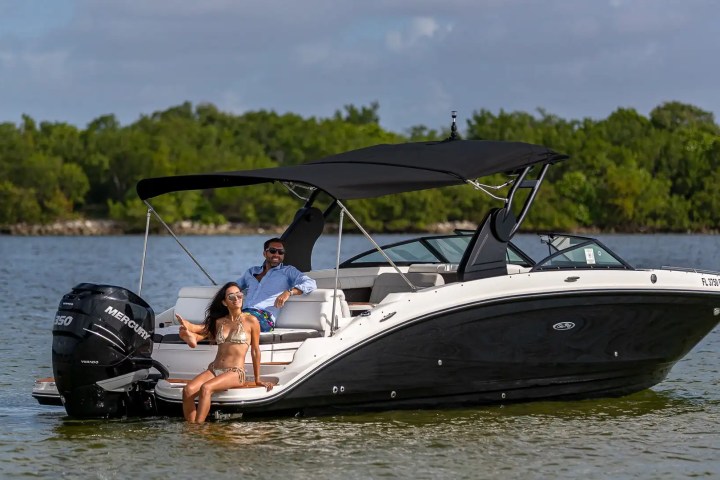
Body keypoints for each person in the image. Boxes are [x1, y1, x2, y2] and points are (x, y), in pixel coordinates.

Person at [178, 237, 316, 347]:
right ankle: (196, 337)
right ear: (265, 253)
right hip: (244, 312)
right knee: (226, 317)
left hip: (264, 318)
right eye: (273, 251)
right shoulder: (251, 272)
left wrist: (288, 292)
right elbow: (235, 287)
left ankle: (197, 329)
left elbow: (310, 283)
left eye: (281, 252)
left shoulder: (288, 271)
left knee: (234, 320)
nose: (277, 255)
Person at [175, 282, 273, 423]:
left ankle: (199, 428)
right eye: (231, 296)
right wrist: (187, 330)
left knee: (206, 388)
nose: (236, 298)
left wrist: (258, 379)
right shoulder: (219, 322)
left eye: (239, 295)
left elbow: (255, 350)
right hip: (214, 369)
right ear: (224, 302)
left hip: (235, 372)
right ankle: (191, 429)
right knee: (188, 390)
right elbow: (204, 330)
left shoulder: (251, 321)